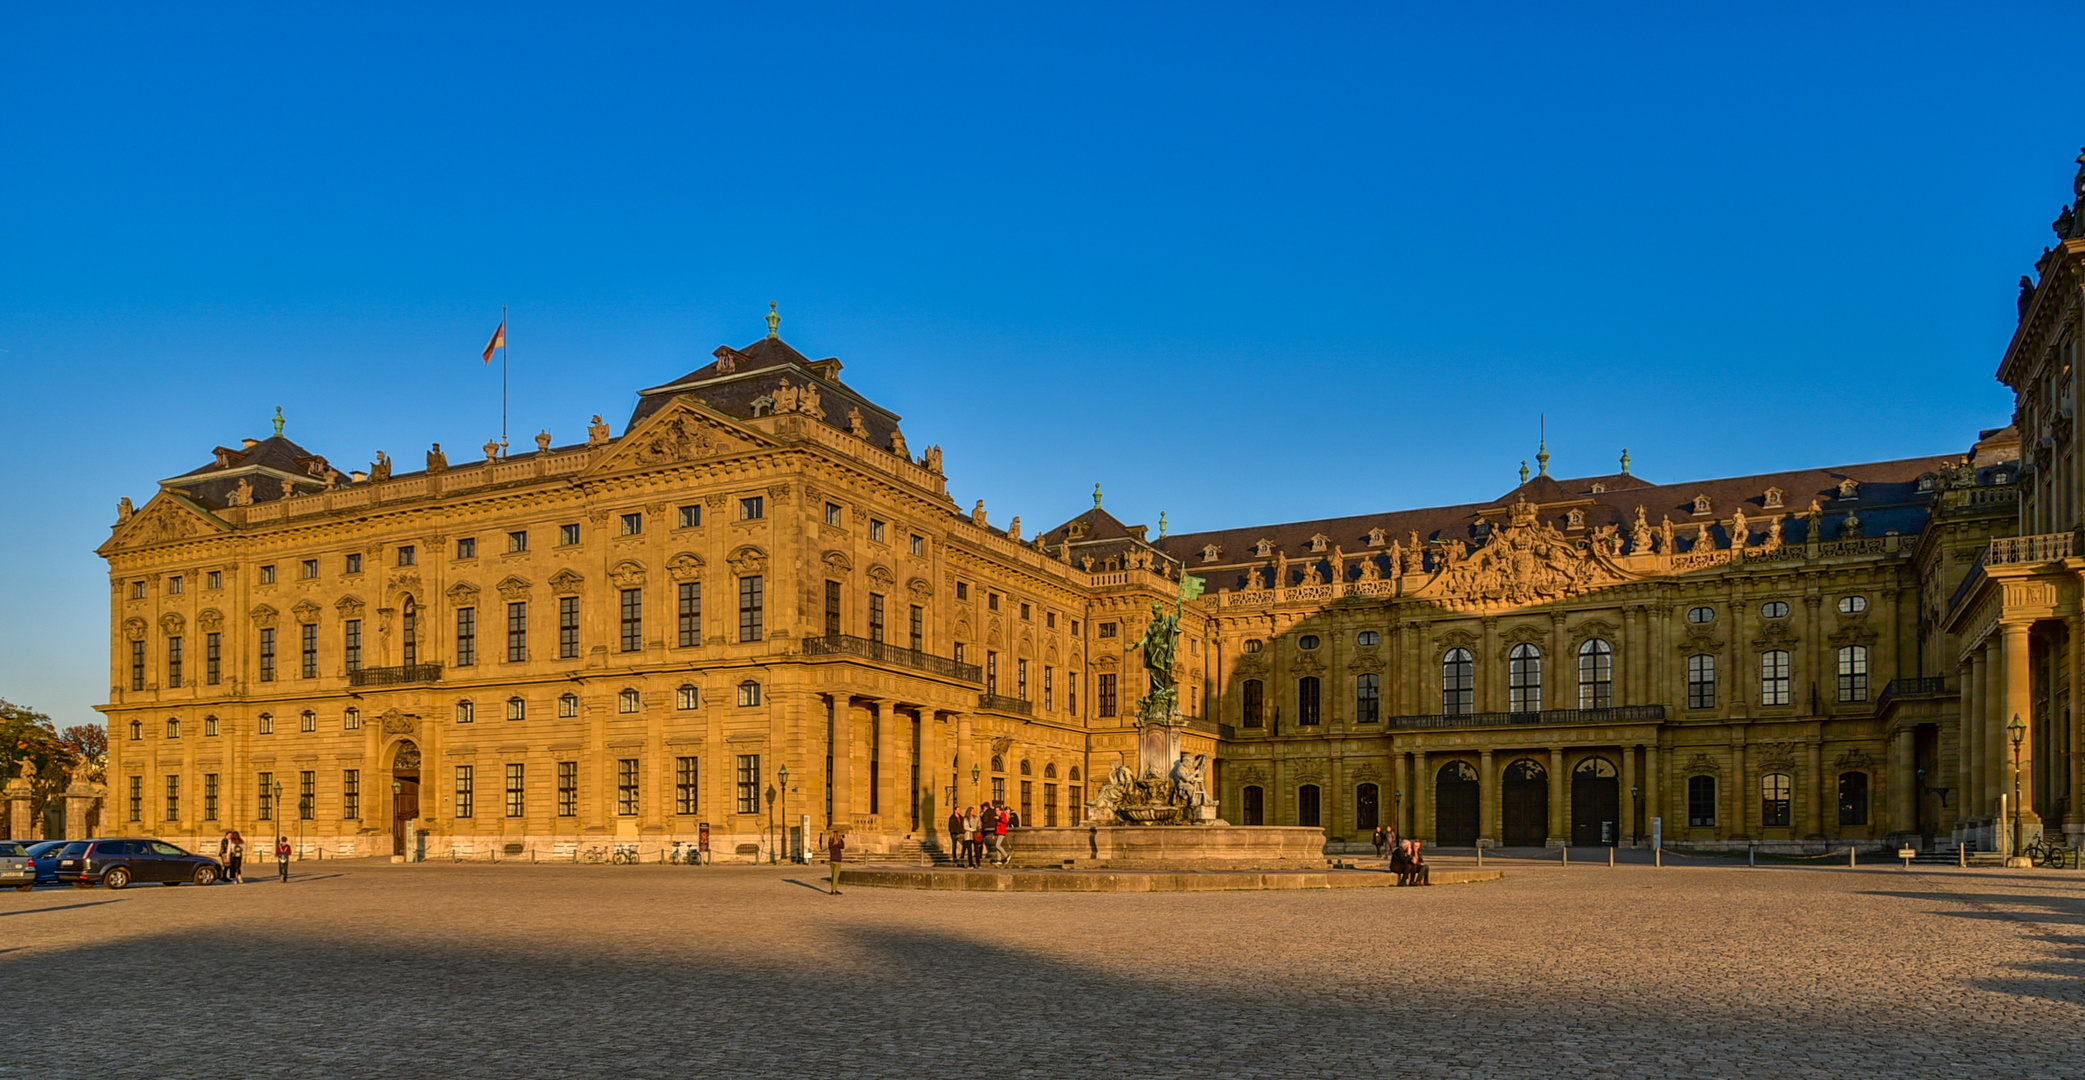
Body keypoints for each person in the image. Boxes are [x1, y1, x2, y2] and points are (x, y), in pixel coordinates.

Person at [827, 830, 845, 895]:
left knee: (833, 875)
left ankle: (833, 889)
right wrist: (841, 839)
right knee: (836, 876)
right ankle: (834, 890)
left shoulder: (830, 842)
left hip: (832, 860)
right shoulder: (838, 843)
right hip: (837, 860)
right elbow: (843, 846)